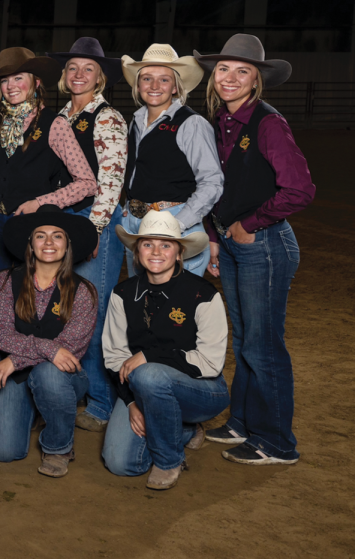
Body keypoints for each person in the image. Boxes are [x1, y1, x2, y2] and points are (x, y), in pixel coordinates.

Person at [195, 34, 315, 465]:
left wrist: (250, 223)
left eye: (242, 71)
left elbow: (300, 190)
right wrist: (214, 232)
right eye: (224, 68)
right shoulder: (220, 122)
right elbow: (218, 189)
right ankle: (243, 423)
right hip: (232, 243)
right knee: (246, 340)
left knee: (264, 346)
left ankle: (278, 442)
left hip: (264, 244)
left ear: (256, 80)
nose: (230, 77)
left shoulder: (267, 123)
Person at [0, 47, 97, 431]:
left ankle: (46, 389)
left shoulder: (55, 124)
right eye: (6, 80)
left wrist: (40, 204)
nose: (12, 86)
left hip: (35, 232)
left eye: (19, 78)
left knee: (41, 310)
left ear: (36, 83)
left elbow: (86, 182)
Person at [101, 210, 227, 488]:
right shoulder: (122, 294)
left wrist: (151, 355)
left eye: (166, 245)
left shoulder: (203, 294)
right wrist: (132, 402)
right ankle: (182, 430)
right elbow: (114, 357)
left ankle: (169, 460)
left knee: (149, 374)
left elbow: (210, 362)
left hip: (203, 389)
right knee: (121, 463)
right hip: (140, 389)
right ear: (137, 251)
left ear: (179, 253)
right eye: (147, 244)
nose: (156, 251)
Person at [48, 37, 130, 433]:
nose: (79, 74)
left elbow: (110, 181)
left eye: (88, 69)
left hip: (94, 221)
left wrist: (94, 230)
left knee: (94, 313)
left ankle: (100, 401)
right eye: (73, 68)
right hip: (66, 220)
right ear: (64, 76)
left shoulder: (107, 117)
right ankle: (77, 391)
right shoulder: (62, 115)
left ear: (100, 78)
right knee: (68, 310)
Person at [0, 205, 97, 478]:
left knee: (49, 373)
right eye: (40, 236)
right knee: (4, 451)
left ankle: (58, 447)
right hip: (15, 373)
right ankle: (37, 409)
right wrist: (47, 348)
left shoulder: (83, 291)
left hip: (61, 377)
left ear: (67, 245)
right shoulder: (5, 281)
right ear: (30, 245)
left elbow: (69, 349)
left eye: (57, 236)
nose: (48, 243)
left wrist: (16, 358)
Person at [119, 43, 222, 277]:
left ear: (175, 87)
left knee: (175, 307)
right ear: (138, 85)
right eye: (147, 78)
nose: (154, 86)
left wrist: (180, 223)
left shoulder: (191, 123)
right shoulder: (135, 121)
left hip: (175, 221)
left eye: (164, 79)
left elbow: (212, 181)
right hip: (136, 225)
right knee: (142, 306)